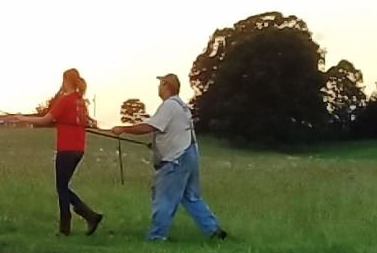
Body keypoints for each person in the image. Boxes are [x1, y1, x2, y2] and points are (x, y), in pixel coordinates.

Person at [111, 73, 227, 241]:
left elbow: (150, 126)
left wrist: (123, 129)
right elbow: (173, 132)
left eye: (161, 84)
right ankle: (213, 230)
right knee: (190, 197)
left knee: (164, 197)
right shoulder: (182, 106)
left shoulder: (169, 105)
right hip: (190, 154)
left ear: (167, 86)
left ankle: (156, 236)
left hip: (177, 159)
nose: (158, 87)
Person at [21, 69, 104, 236]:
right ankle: (84, 218)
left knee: (61, 187)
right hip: (79, 148)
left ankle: (78, 222)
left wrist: (23, 118)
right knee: (63, 187)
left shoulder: (66, 100)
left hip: (66, 148)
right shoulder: (80, 102)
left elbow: (46, 119)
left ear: (66, 80)